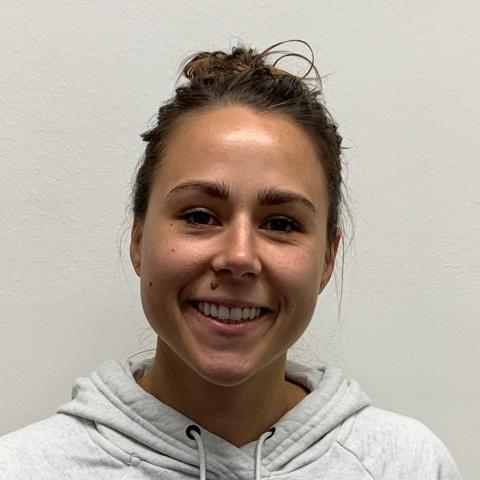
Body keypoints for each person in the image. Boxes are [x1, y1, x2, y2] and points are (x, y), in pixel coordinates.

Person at [0, 40, 461, 479]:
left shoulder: (409, 464)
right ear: (138, 240)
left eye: (281, 224)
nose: (239, 257)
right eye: (199, 215)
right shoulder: (21, 468)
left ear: (326, 260)